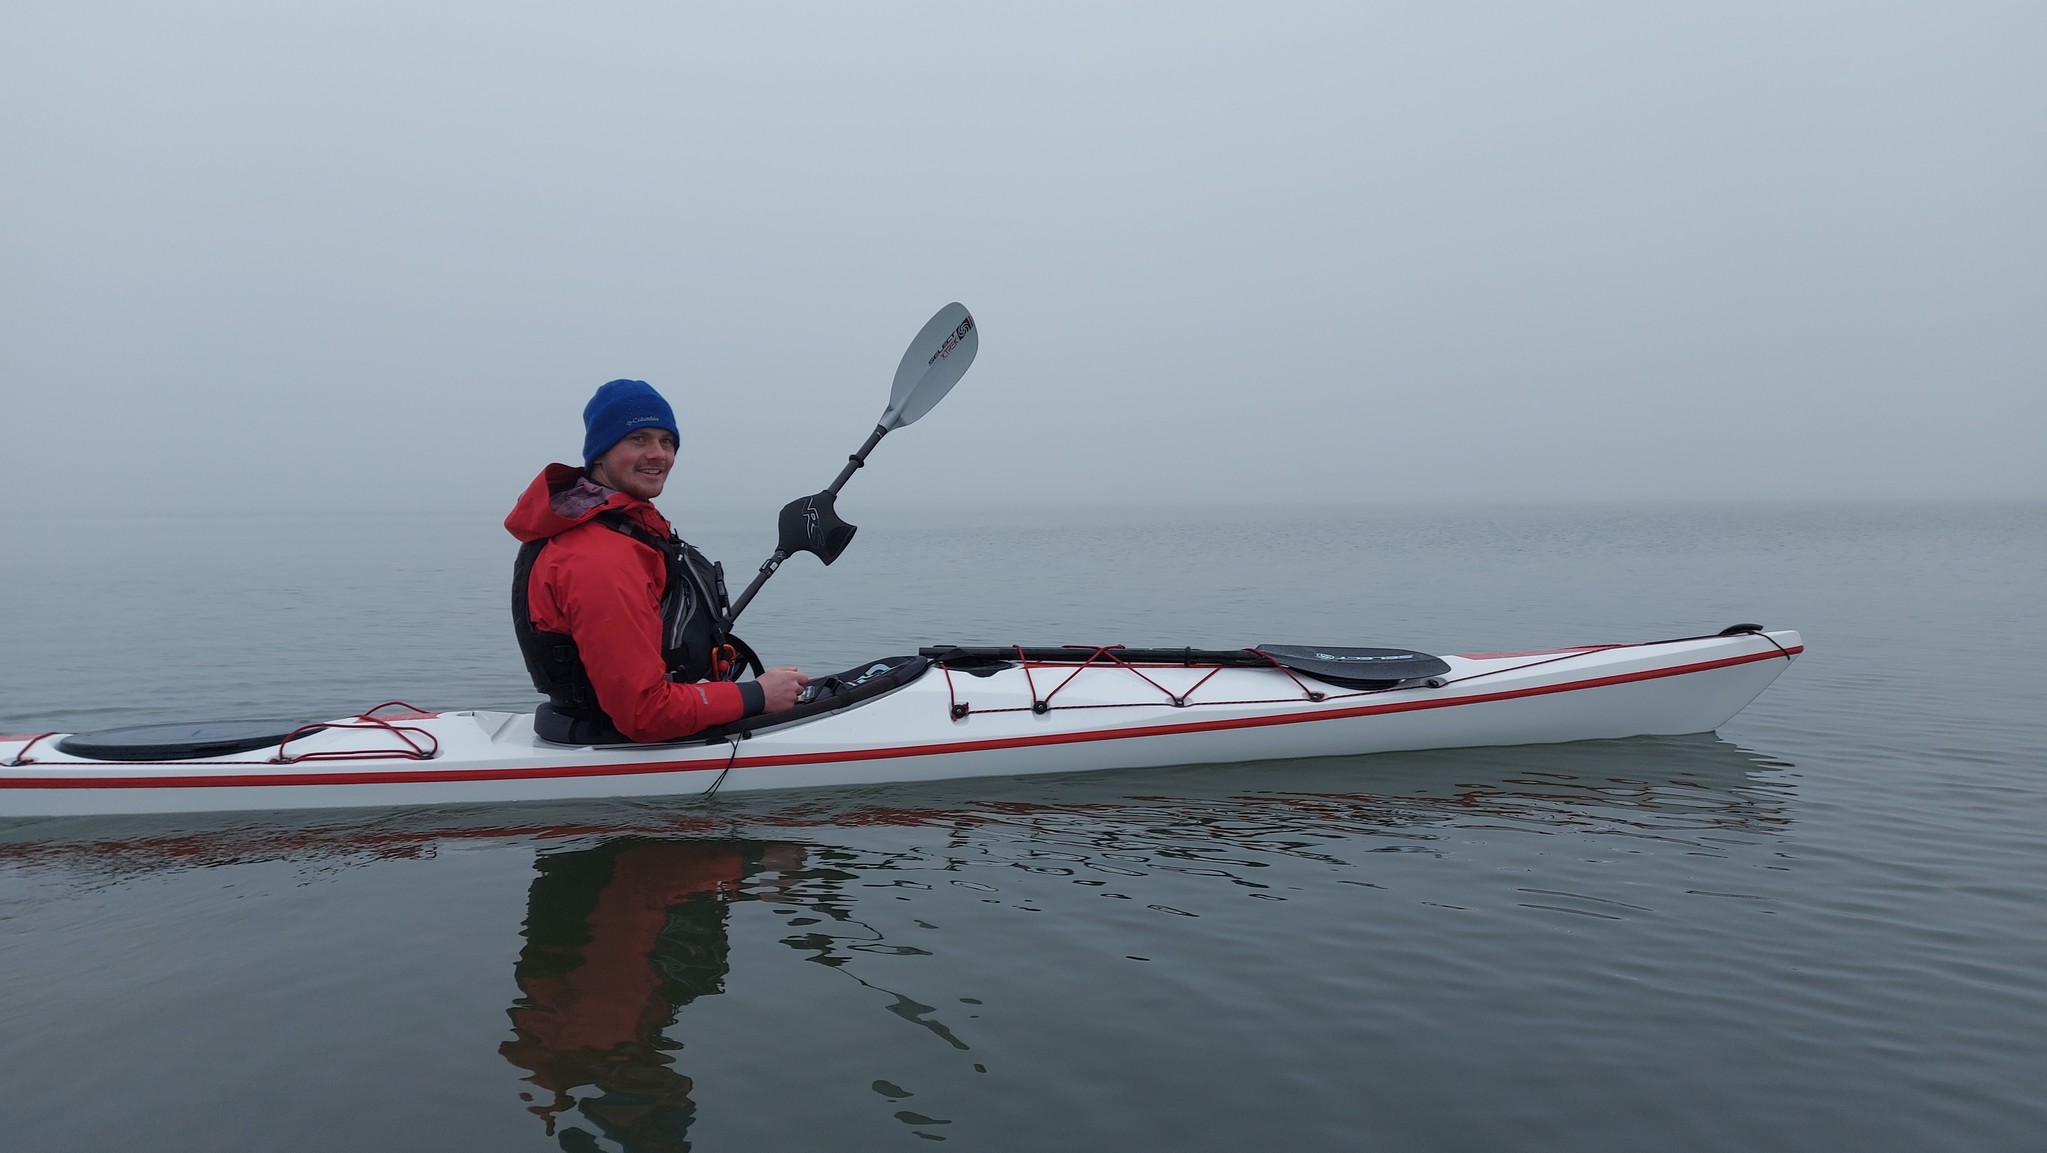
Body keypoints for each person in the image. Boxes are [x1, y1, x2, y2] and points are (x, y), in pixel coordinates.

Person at [507, 379, 807, 744]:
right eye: (639, 439)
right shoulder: (598, 557)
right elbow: (644, 713)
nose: (658, 454)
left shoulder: (625, 525)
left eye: (667, 441)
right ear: (599, 452)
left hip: (605, 722)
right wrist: (758, 694)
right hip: (616, 739)